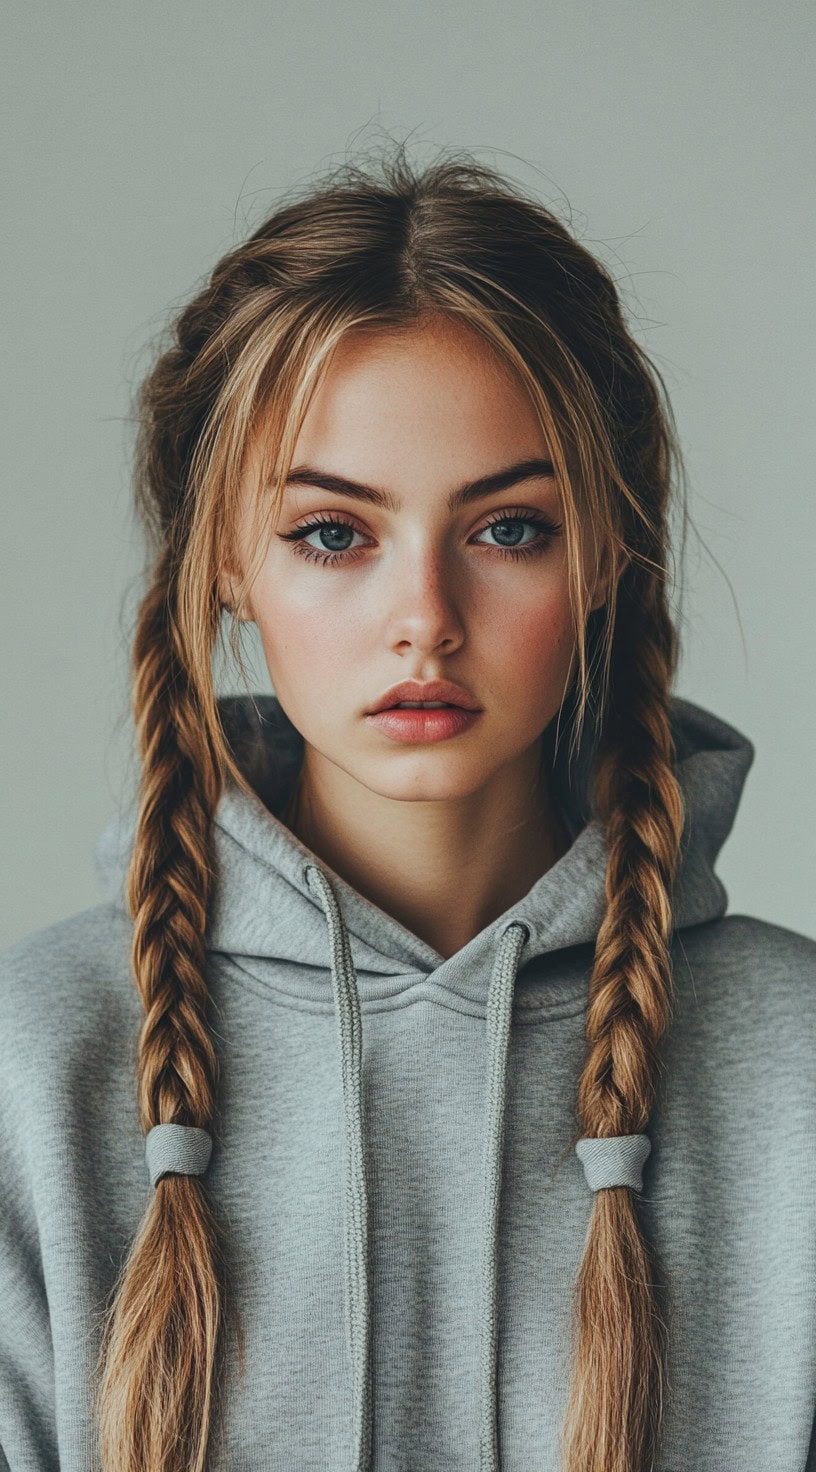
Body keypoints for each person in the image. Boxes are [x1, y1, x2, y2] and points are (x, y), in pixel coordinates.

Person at [0, 146, 814, 1472]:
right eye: (334, 533)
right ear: (223, 560)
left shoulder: (799, 1071)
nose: (425, 620)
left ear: (603, 551)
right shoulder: (34, 1068)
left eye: (509, 529)